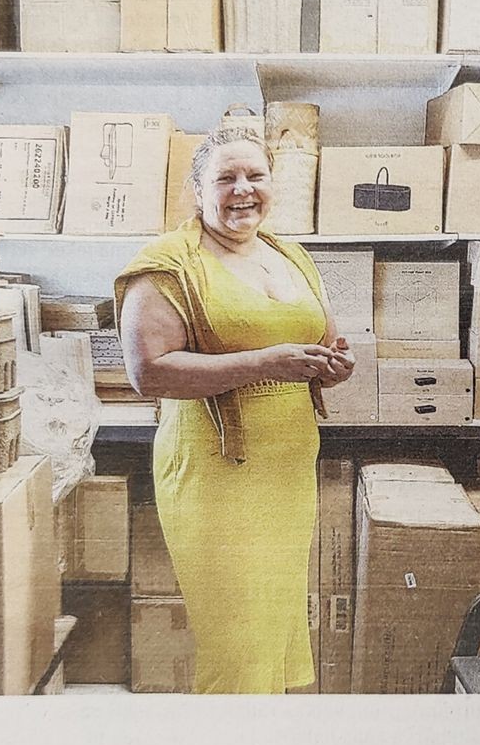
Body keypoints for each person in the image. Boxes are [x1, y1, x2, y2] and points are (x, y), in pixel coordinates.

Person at [115, 126, 355, 694]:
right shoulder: (168, 266)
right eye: (226, 178)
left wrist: (334, 366)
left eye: (256, 176)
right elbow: (147, 373)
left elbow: (324, 339)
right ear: (197, 190)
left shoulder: (287, 253)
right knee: (237, 636)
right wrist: (265, 363)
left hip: (287, 469)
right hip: (216, 472)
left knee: (272, 627)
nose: (243, 190)